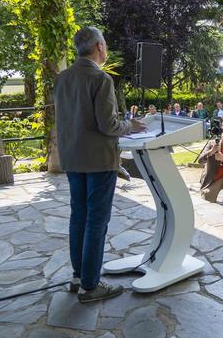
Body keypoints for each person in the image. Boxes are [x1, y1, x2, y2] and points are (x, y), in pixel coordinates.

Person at [54, 26, 145, 303]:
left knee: (78, 217)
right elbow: (109, 125)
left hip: (72, 158)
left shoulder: (63, 78)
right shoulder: (100, 79)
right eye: (104, 44)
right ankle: (91, 287)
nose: (105, 49)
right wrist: (132, 126)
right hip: (98, 161)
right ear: (98, 47)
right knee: (96, 221)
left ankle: (79, 277)